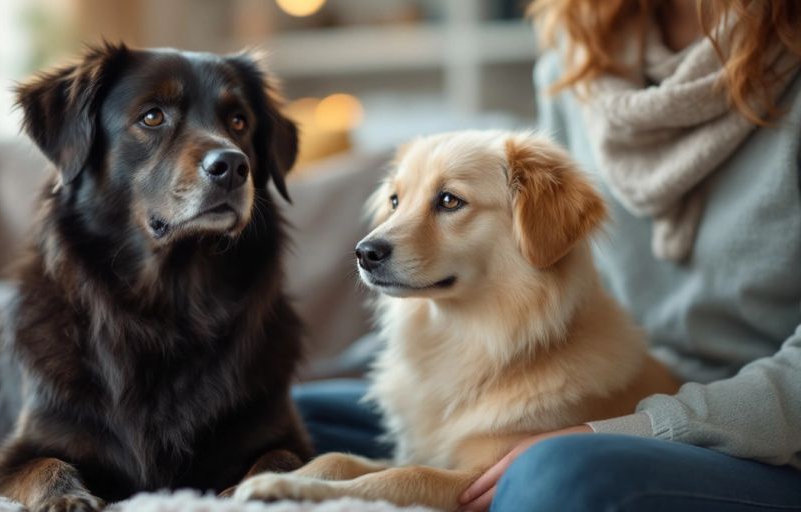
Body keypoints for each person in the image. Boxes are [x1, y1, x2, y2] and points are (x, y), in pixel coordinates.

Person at [293, 1, 801, 510]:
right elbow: (509, 256)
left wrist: (621, 430)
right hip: (591, 363)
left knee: (554, 474)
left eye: (448, 204)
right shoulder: (577, 62)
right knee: (295, 415)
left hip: (762, 439)